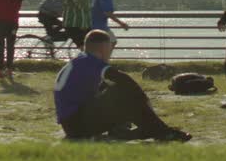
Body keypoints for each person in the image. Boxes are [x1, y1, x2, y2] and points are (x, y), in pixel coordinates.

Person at [53, 30, 190, 141]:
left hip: (72, 124)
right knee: (124, 91)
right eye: (110, 49)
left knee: (112, 89)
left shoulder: (81, 61)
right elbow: (123, 79)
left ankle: (143, 129)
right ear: (102, 48)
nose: (110, 53)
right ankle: (162, 131)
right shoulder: (92, 62)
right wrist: (144, 99)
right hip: (78, 127)